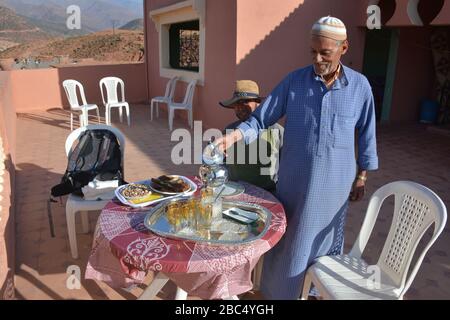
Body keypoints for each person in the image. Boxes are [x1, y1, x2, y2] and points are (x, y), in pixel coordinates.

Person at [214, 16, 379, 299]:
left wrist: (362, 176)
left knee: (323, 243)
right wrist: (233, 136)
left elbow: (367, 134)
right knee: (289, 243)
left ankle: (315, 293)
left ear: (344, 48)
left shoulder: (360, 87)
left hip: (335, 187)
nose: (317, 58)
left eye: (325, 53)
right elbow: (260, 119)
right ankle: (279, 294)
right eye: (312, 51)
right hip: (294, 181)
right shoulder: (294, 82)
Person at [219, 80, 284, 192]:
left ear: (258, 103)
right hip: (235, 189)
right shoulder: (229, 131)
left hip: (266, 191)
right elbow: (223, 162)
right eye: (236, 104)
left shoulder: (276, 131)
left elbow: (286, 165)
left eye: (245, 102)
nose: (240, 107)